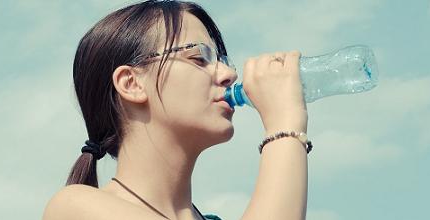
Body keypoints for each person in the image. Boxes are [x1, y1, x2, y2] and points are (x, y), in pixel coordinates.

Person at [43, 1, 310, 219]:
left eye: (222, 61)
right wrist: (283, 125)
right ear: (131, 83)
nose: (229, 73)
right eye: (198, 58)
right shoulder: (74, 208)